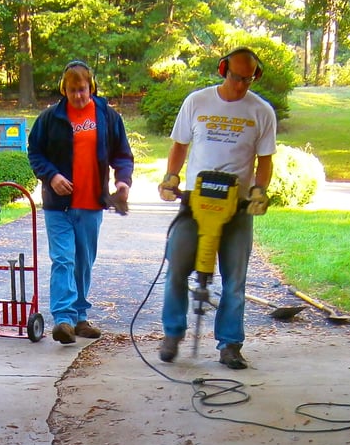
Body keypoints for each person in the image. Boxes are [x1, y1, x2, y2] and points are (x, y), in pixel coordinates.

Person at [157, 47, 276, 369]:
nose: (241, 85)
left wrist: (259, 191)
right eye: (237, 77)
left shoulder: (261, 111)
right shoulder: (197, 102)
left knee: (235, 279)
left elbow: (265, 161)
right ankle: (172, 333)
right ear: (223, 70)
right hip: (195, 204)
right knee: (177, 266)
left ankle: (230, 344)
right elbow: (179, 145)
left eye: (248, 79)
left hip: (236, 208)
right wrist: (171, 177)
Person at [27, 61, 134, 345]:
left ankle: (79, 317)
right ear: (65, 89)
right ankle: (63, 319)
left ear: (91, 87)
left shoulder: (107, 117)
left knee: (83, 262)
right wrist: (52, 176)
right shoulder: (51, 118)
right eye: (73, 90)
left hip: (91, 203)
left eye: (83, 90)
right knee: (63, 259)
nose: (78, 96)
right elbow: (35, 152)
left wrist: (122, 182)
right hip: (58, 205)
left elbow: (122, 154)